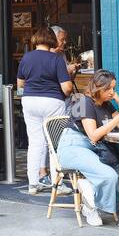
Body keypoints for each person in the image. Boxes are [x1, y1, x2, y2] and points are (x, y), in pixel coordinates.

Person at [56, 70, 119, 226]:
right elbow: (93, 135)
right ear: (97, 87)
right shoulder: (82, 102)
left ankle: (91, 189)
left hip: (94, 147)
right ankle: (91, 207)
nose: (111, 92)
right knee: (109, 176)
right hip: (73, 147)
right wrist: (116, 121)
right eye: (108, 89)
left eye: (114, 89)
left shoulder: (106, 103)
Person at [16, 27, 74, 194]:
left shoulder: (26, 57)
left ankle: (33, 184)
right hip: (52, 102)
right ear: (52, 41)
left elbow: (20, 84)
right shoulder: (56, 59)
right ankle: (58, 184)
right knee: (55, 143)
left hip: (30, 101)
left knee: (35, 143)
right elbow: (67, 88)